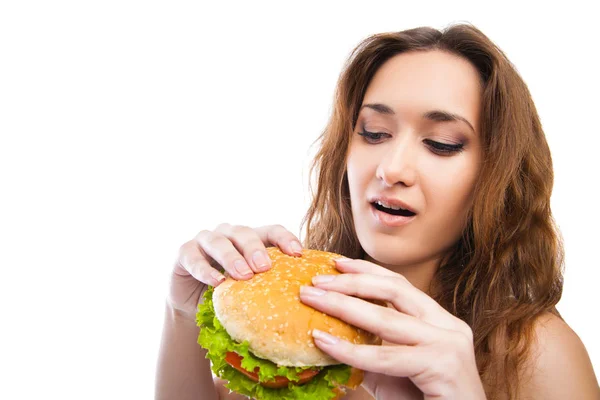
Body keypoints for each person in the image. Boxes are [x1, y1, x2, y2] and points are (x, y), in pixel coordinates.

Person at [155, 23, 599, 400]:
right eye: (374, 132)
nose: (391, 169)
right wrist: (182, 314)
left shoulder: (538, 354)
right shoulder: (299, 325)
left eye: (442, 144)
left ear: (497, 175)